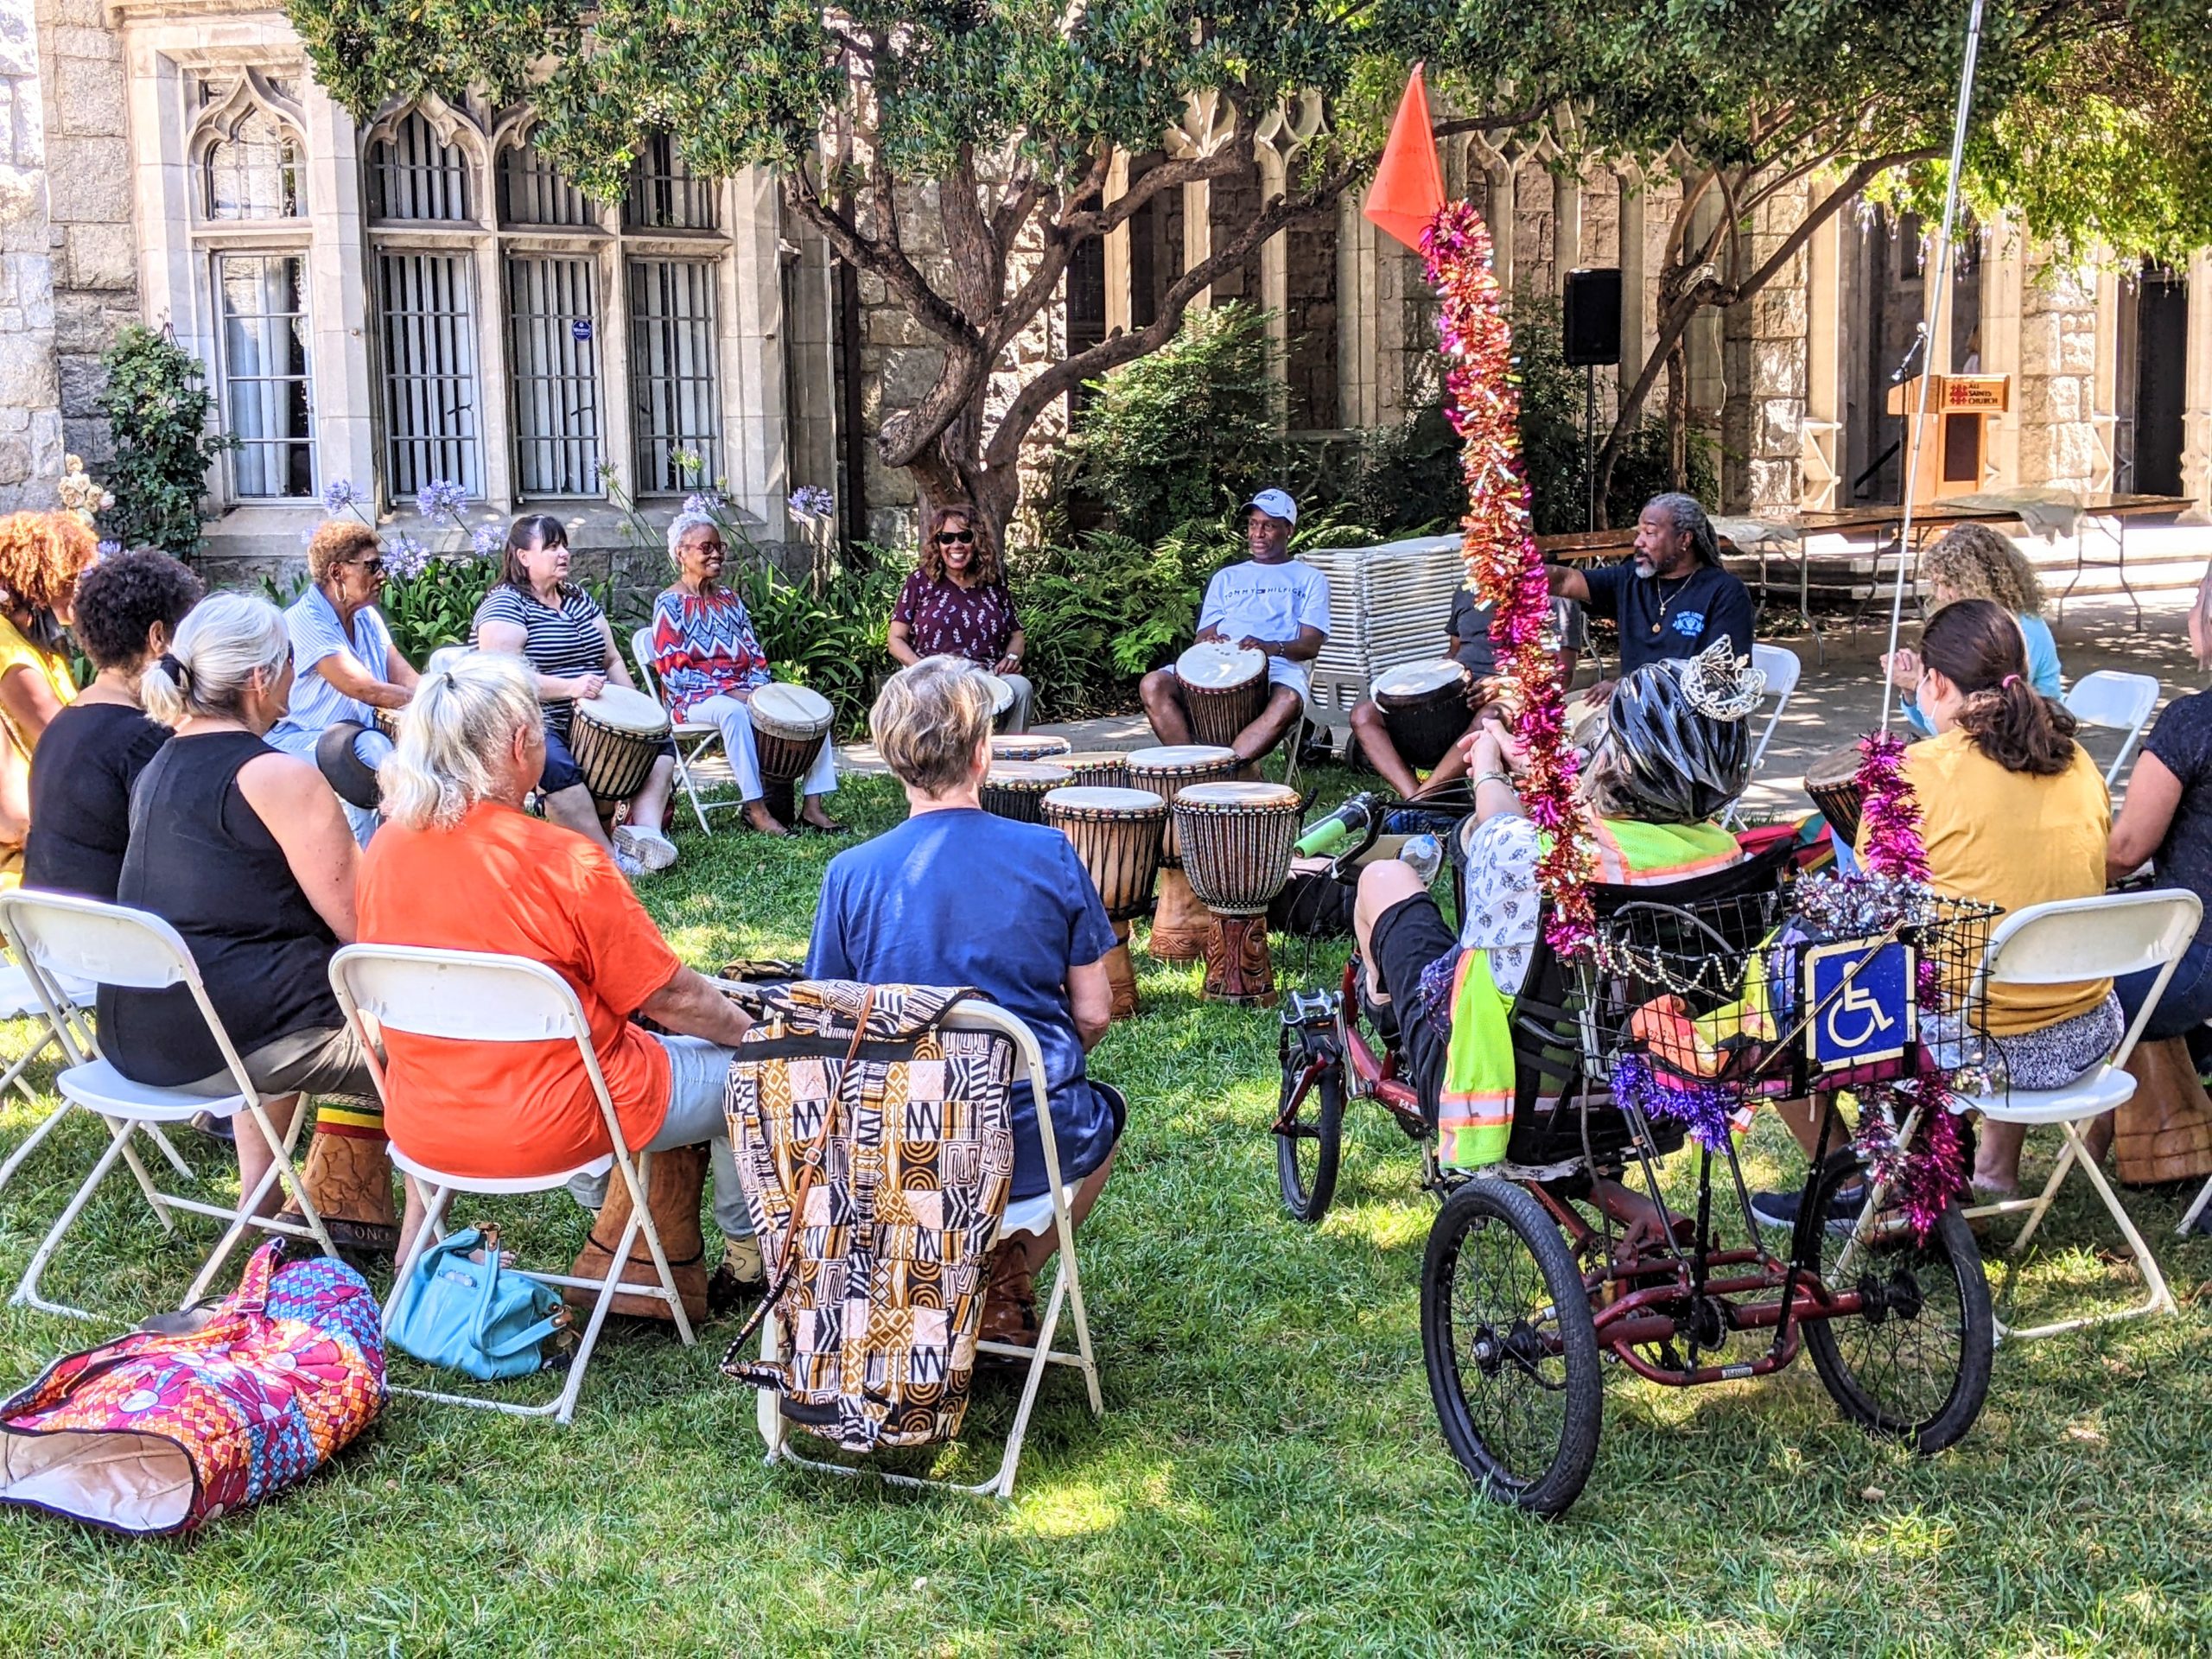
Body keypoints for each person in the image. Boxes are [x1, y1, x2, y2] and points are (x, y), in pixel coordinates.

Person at [356, 652, 762, 1303]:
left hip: (424, 1123)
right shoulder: (565, 857)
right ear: (522, 745)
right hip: (564, 1124)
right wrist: (761, 1034)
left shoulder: (387, 847)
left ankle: (625, 1226)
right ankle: (750, 1256)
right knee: (758, 1072)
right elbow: (672, 996)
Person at [1351, 645, 1755, 1233]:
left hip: (1511, 1094)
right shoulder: (1725, 858)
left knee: (1385, 878)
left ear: (1620, 761)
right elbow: (1576, 817)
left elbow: (1500, 823)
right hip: (1644, 1090)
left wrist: (1488, 763)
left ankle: (1396, 1032)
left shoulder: (1535, 852)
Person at [807, 655, 1124, 1344]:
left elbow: (832, 1034)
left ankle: (973, 1279)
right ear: (984, 753)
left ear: (893, 762)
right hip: (1032, 1148)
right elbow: (1096, 1011)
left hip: (899, 1152)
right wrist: (1033, 1069)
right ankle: (1006, 1276)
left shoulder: (849, 875)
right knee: (1103, 1120)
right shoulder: (1051, 853)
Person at [101, 592, 378, 1223]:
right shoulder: (279, 776)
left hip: (137, 1036)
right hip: (232, 1043)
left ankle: (264, 1193)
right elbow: (365, 933)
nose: (293, 675)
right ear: (259, 679)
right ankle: (411, 1230)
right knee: (431, 1034)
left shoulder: (157, 764)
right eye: (289, 661)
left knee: (269, 980)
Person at [1874, 598, 2117, 1198]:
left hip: (1973, 1045)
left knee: (1823, 971)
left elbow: (1876, 903)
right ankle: (1993, 1167)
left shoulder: (1918, 769)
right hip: (2086, 1030)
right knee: (2001, 946)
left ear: (1934, 682)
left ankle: (1888, 1182)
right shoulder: (2078, 760)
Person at [472, 513, 680, 878]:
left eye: (564, 545)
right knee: (556, 765)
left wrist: (639, 713)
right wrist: (569, 688)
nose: (563, 553)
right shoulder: (505, 604)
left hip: (596, 716)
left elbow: (611, 658)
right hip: (536, 718)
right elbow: (503, 678)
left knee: (659, 745)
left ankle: (644, 836)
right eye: (551, 547)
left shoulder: (578, 598)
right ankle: (609, 858)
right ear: (523, 556)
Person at [648, 510, 842, 836]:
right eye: (705, 548)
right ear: (682, 552)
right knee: (734, 713)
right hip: (692, 700)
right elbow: (673, 672)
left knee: (810, 709)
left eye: (719, 547)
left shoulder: (729, 600)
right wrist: (731, 693)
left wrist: (758, 691)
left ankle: (813, 807)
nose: (716, 554)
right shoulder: (669, 604)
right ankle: (756, 810)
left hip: (743, 692)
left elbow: (754, 654)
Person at [23, 550, 203, 901]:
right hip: (116, 940)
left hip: (52, 939)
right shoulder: (142, 741)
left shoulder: (63, 724)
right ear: (158, 638)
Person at [1139, 488, 1328, 764]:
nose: (1258, 534)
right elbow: (1203, 635)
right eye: (1253, 524)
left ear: (1289, 530)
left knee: (1287, 700)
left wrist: (1271, 648)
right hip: (1219, 665)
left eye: (1269, 526)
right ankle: (1195, 767)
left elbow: (1311, 644)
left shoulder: (1310, 579)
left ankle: (1229, 768)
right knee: (1153, 683)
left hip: (1277, 668)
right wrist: (1209, 641)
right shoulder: (1226, 577)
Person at [265, 519, 419, 846]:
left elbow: (403, 675)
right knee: (362, 754)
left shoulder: (365, 616)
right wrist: (427, 706)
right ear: (337, 573)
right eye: (372, 566)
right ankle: (364, 872)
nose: (382, 575)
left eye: (382, 565)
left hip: (352, 738)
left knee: (380, 748)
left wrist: (444, 699)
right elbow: (364, 688)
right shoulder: (305, 620)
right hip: (299, 741)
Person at [1347, 590, 1586, 801]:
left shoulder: (1553, 593)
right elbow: (1454, 653)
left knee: (1490, 716)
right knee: (1364, 714)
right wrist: (1423, 683)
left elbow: (1561, 676)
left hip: (1518, 693)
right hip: (1463, 689)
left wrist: (1505, 685)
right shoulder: (1466, 589)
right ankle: (1414, 797)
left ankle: (1425, 797)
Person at [2107, 563, 2212, 1040]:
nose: (2191, 613)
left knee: (2047, 986)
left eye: (2197, 599)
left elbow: (2126, 850)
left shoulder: (2191, 722)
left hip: (2196, 962)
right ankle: (2159, 1115)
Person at [1547, 493, 1755, 702]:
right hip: (1634, 708)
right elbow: (1564, 581)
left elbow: (1721, 676)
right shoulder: (1630, 579)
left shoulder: (1725, 592)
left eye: (1650, 532)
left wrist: (1630, 686)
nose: (1638, 541)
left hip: (1690, 720)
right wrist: (1516, 568)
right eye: (1639, 532)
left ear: (1684, 539)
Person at [1881, 523, 2062, 734]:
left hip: (2023, 746)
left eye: (1947, 583)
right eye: (1936, 584)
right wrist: (1915, 688)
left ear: (1978, 581)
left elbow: (1965, 729)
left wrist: (1918, 684)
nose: (1940, 595)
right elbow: (1933, 719)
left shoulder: (2016, 632)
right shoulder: (1970, 626)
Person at [0, 510, 97, 884]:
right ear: (44, 577)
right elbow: (62, 738)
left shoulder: (39, 645)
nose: (82, 588)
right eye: (74, 577)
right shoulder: (10, 652)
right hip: (25, 846)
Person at [888, 503, 1033, 732]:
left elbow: (1016, 634)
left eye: (964, 537)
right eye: (947, 538)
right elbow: (895, 638)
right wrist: (921, 669)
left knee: (1021, 688)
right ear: (938, 544)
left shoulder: (992, 583)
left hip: (986, 675)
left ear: (976, 542)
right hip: (935, 675)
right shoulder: (919, 582)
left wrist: (1012, 657)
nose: (956, 545)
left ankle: (1010, 759)